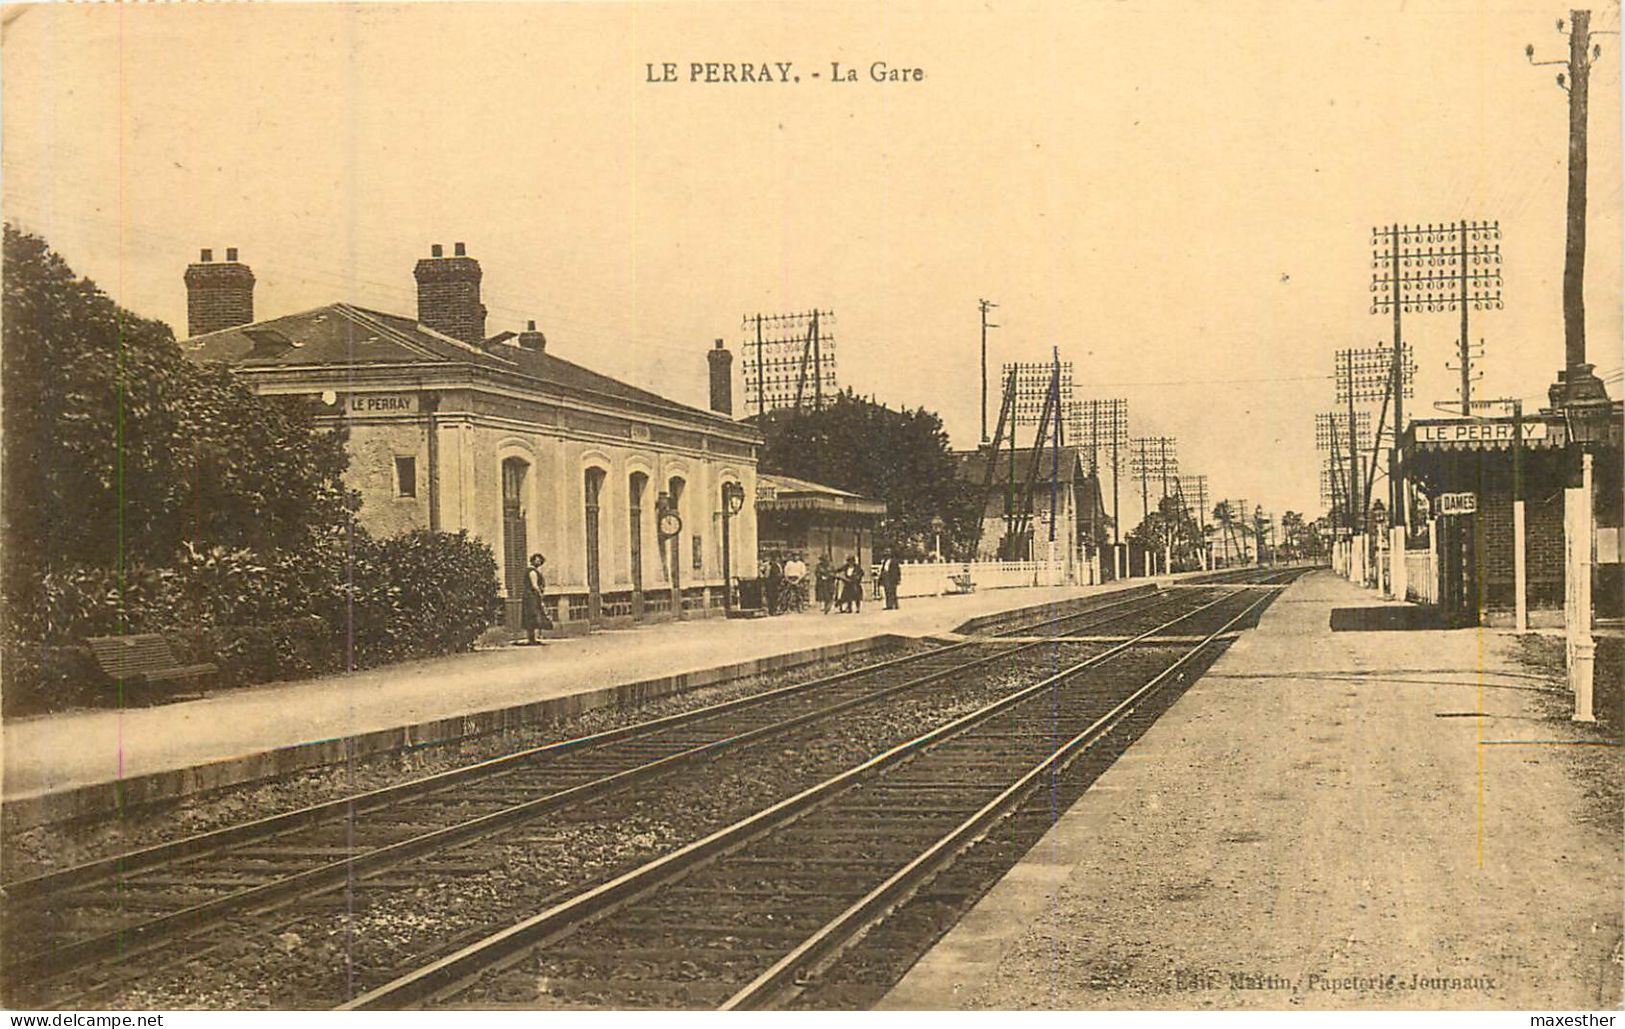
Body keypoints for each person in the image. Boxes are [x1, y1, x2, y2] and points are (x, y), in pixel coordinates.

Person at [521, 553, 550, 645]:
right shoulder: (532, 571)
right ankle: (531, 638)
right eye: (536, 560)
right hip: (531, 597)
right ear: (533, 560)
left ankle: (532, 638)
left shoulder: (533, 571)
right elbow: (534, 585)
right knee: (533, 615)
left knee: (532, 616)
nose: (538, 562)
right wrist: (540, 594)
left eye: (540, 561)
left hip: (530, 596)